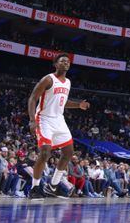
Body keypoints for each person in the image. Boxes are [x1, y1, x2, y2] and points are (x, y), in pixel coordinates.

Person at [27, 53, 90, 200]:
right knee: (44, 154)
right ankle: (34, 188)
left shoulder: (67, 82)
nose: (66, 63)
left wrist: (78, 105)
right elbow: (33, 98)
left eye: (68, 62)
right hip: (44, 119)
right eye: (62, 61)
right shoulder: (48, 79)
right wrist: (31, 120)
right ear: (55, 64)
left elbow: (62, 102)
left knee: (68, 152)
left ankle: (52, 187)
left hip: (59, 120)